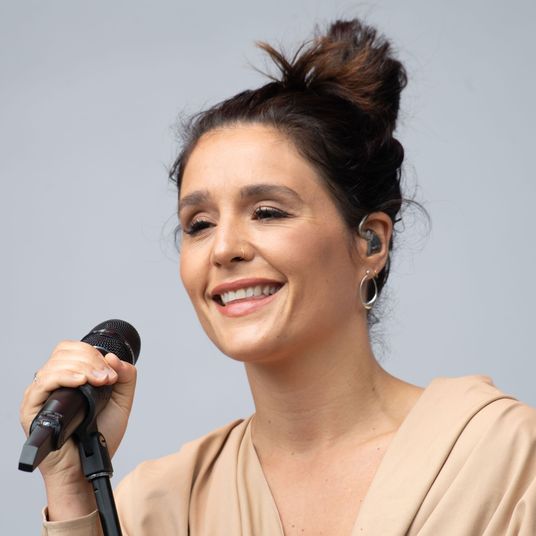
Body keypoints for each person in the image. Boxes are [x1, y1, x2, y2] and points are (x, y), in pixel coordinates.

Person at [20, 18, 536, 536]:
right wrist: (72, 489)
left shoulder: (504, 460)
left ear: (370, 243)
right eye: (199, 224)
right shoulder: (155, 508)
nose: (224, 248)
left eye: (267, 212)